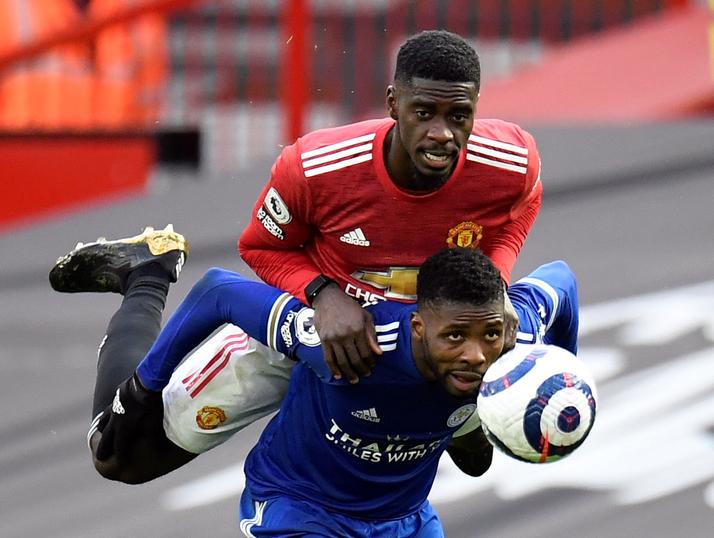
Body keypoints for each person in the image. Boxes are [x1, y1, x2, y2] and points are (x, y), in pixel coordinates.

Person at [50, 226, 577, 536]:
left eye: (490, 337)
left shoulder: (511, 333)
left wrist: (555, 367)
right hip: (301, 503)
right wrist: (141, 389)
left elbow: (562, 279)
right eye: (456, 338)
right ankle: (146, 274)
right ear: (419, 326)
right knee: (117, 451)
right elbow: (219, 291)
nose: (477, 355)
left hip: (401, 520)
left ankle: (460, 424)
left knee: (476, 456)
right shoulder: (351, 347)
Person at [237, 29, 543, 380]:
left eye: (458, 116)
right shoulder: (315, 167)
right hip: (321, 331)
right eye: (424, 113)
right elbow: (260, 247)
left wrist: (496, 284)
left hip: (439, 348)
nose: (441, 133)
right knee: (185, 420)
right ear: (393, 103)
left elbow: (525, 205)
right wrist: (323, 295)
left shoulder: (512, 162)